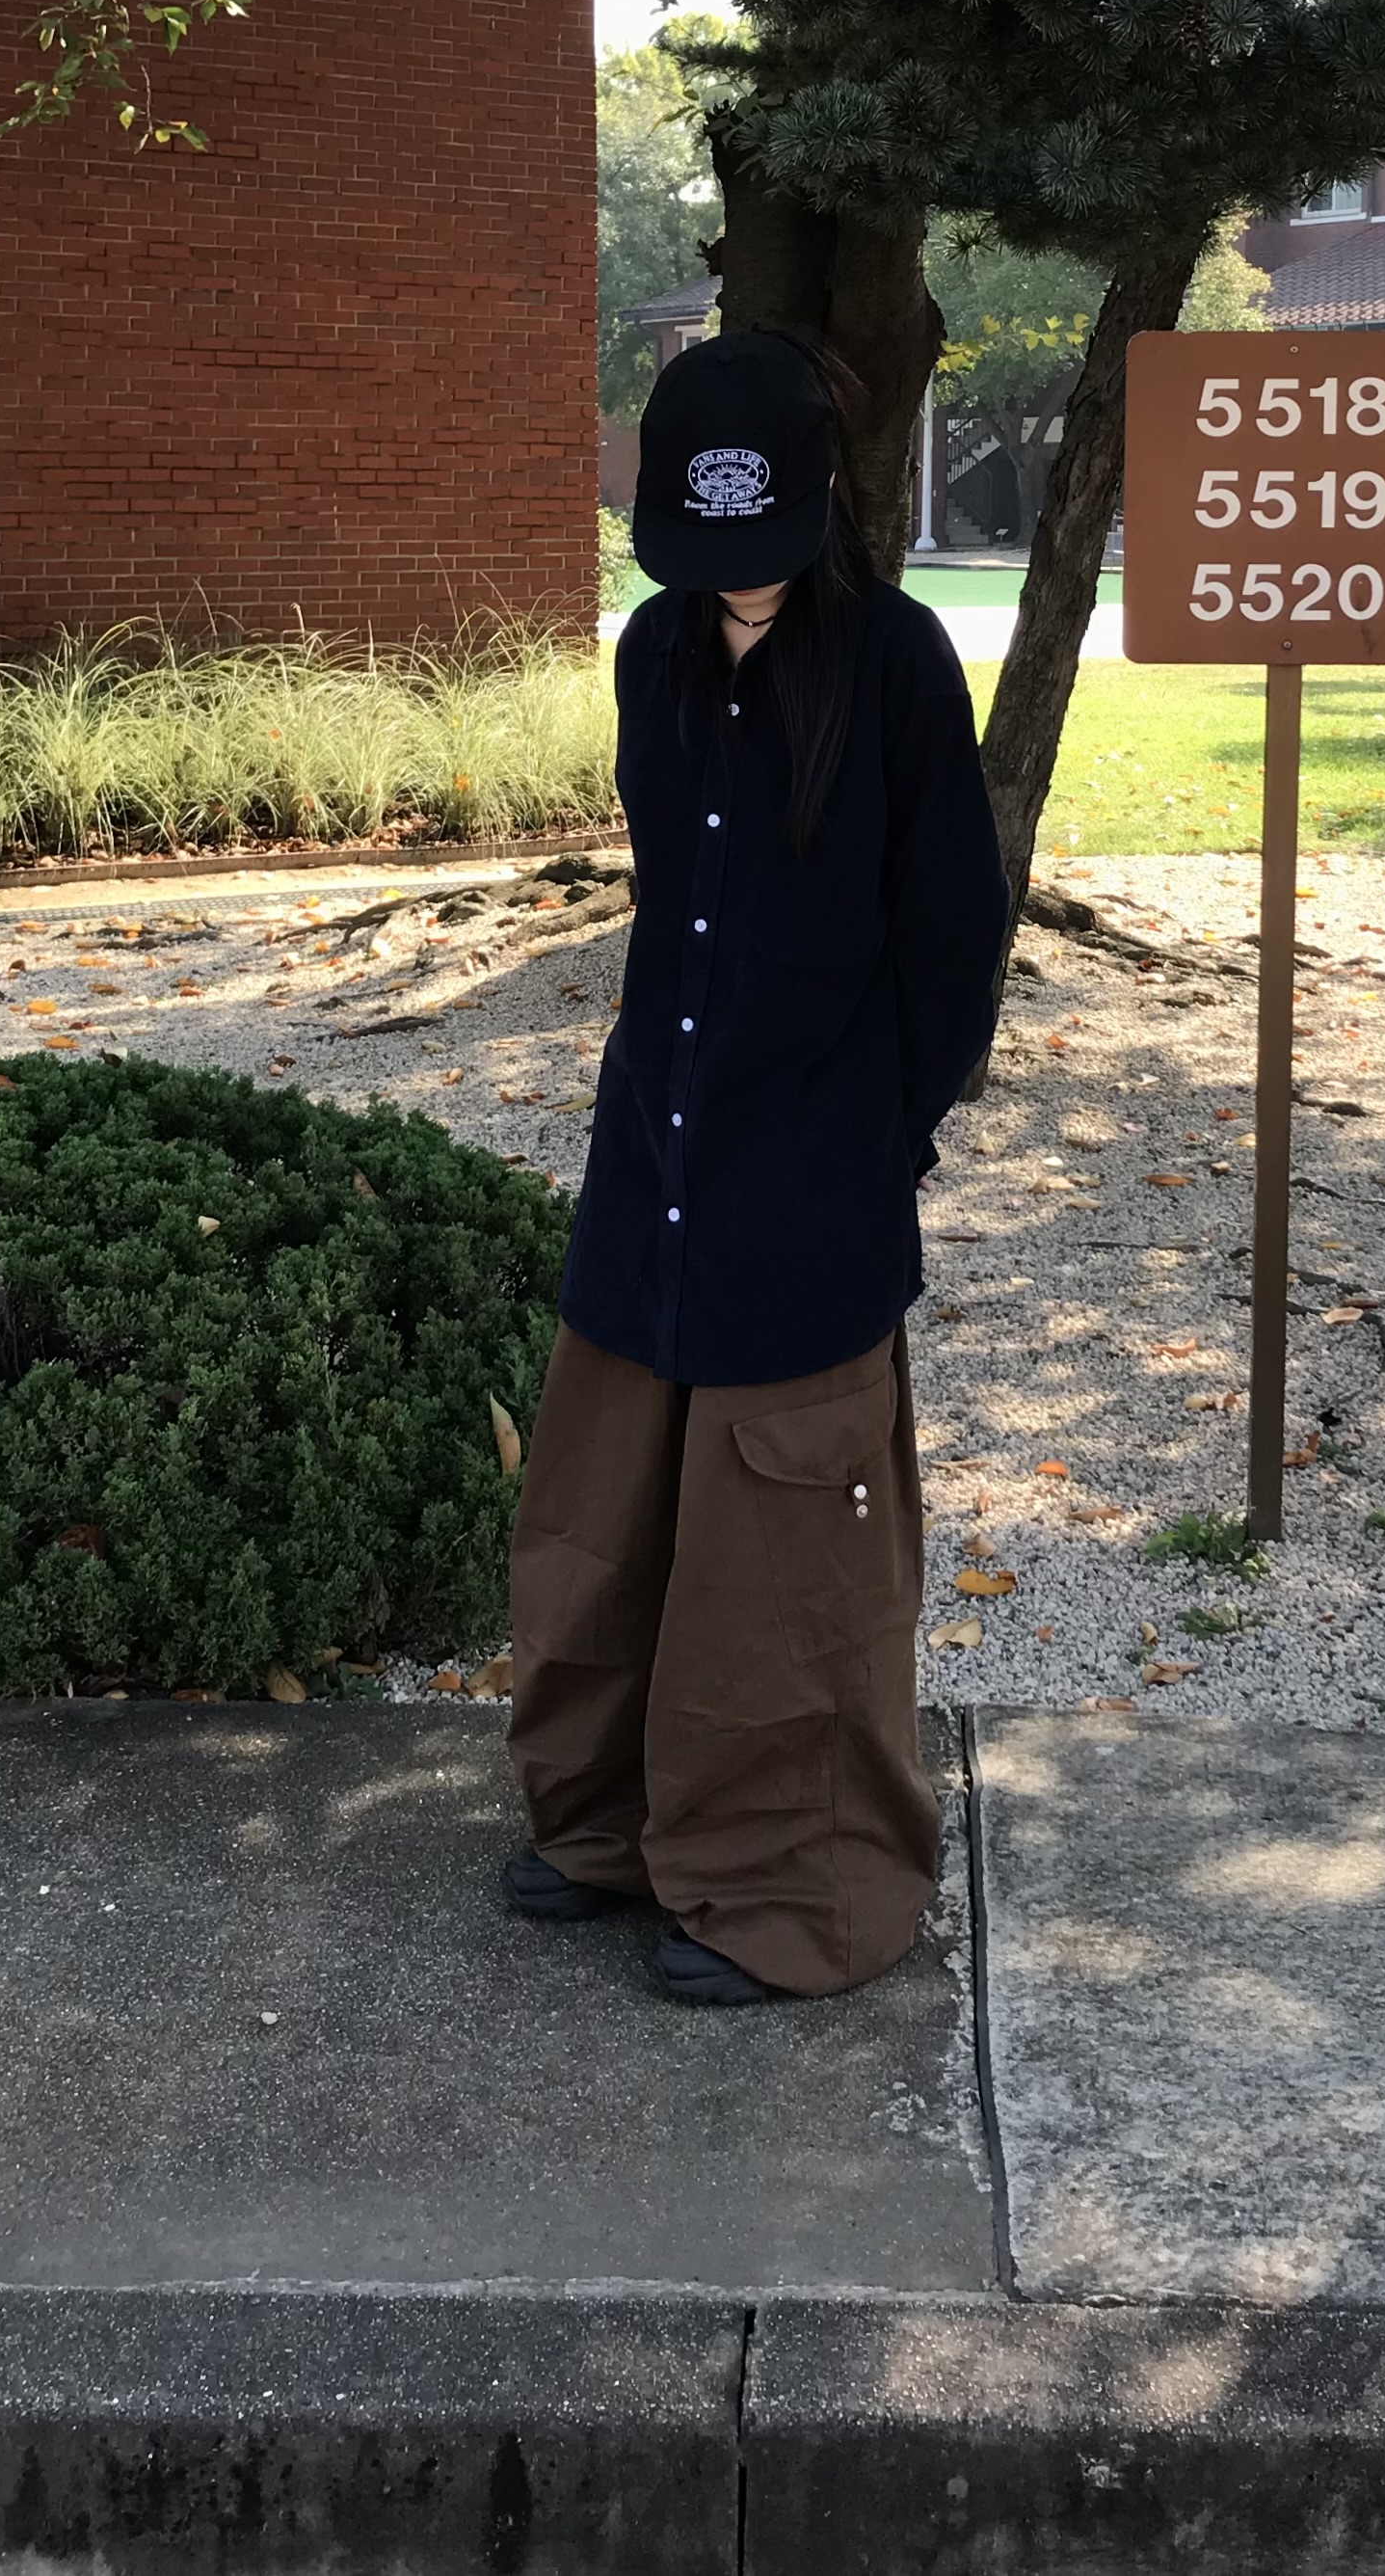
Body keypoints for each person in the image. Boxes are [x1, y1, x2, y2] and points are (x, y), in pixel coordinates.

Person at [501, 331, 1010, 2007]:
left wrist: (876, 1139)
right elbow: (675, 897)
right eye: (705, 548)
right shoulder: (651, 648)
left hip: (809, 1185)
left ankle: (787, 1887)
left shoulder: (896, 662)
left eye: (762, 544)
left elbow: (950, 941)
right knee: (601, 1524)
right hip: (653, 1147)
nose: (736, 580)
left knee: (783, 1574)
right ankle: (602, 1823)